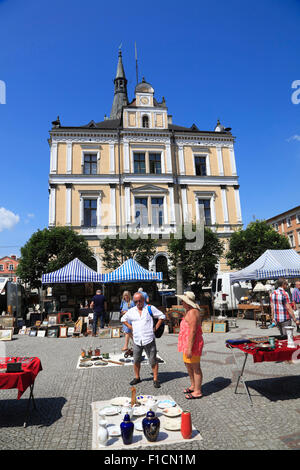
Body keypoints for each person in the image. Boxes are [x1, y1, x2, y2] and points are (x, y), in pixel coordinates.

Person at [121, 291, 165, 389]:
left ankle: (155, 379)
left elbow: (162, 316)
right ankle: (137, 377)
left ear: (143, 300)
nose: (138, 303)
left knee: (153, 360)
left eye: (139, 301)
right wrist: (131, 327)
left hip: (149, 338)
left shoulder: (150, 308)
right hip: (137, 340)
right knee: (136, 360)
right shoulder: (131, 311)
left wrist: (156, 327)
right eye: (135, 301)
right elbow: (123, 319)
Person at [176, 291, 204, 400]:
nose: (182, 302)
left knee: (195, 367)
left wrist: (189, 348)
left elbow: (193, 331)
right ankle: (193, 385)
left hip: (192, 344)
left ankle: (197, 391)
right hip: (187, 343)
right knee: (188, 365)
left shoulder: (192, 312)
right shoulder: (190, 311)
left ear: (188, 302)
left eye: (183, 300)